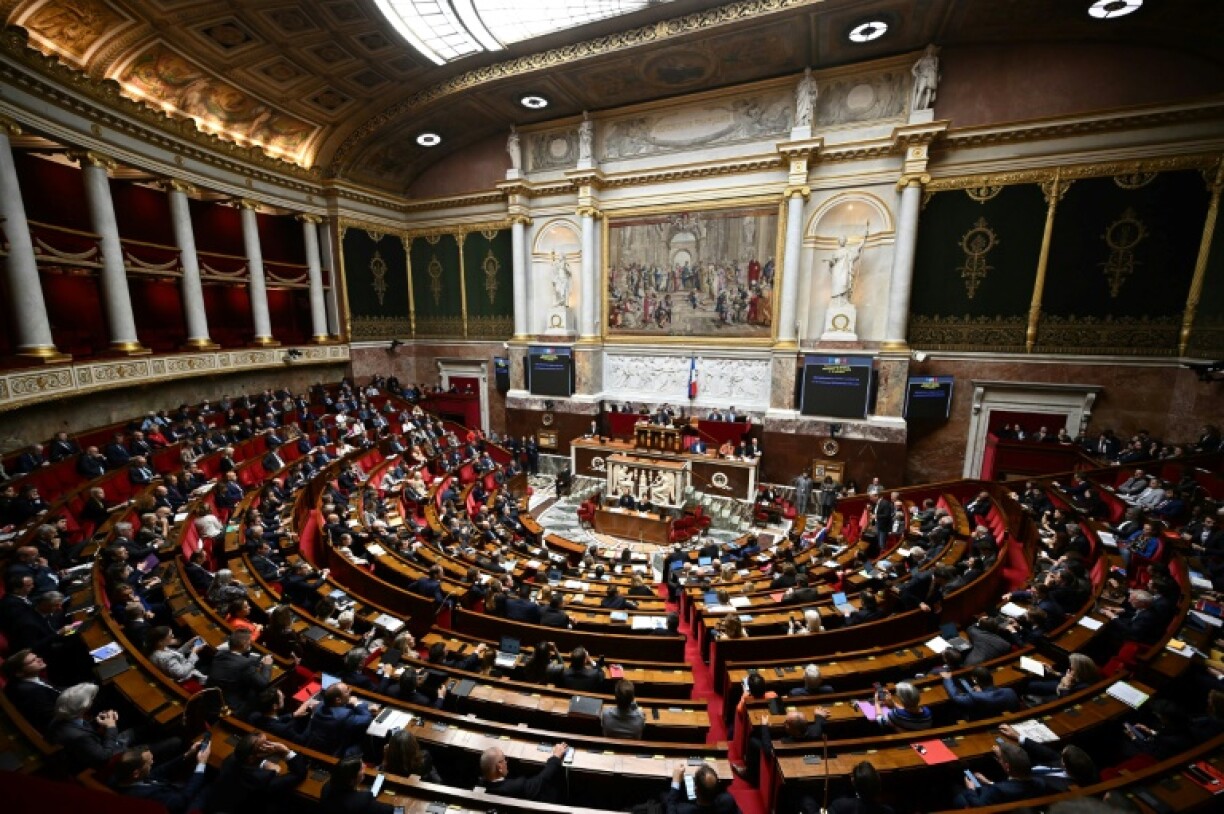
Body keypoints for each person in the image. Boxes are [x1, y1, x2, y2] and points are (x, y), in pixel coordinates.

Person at [205, 731, 309, 814]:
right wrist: (285, 751)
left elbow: (247, 760)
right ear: (251, 758)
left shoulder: (232, 758)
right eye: (265, 745)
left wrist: (263, 762)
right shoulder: (262, 779)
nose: (270, 745)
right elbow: (299, 773)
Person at [110, 740, 212, 814]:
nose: (153, 763)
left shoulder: (127, 777)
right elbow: (181, 800)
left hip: (168, 789)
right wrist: (201, 764)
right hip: (179, 805)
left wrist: (187, 755)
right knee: (209, 787)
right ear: (136, 773)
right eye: (149, 763)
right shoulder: (143, 796)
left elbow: (158, 772)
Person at [955, 741, 1058, 808]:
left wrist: (971, 789)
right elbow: (1011, 789)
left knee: (957, 792)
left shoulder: (997, 790)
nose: (999, 761)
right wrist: (988, 782)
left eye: (1000, 760)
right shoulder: (1040, 782)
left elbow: (979, 806)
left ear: (1007, 767)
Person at [207, 629, 273, 716]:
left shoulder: (219, 654)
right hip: (232, 708)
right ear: (244, 644)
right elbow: (263, 685)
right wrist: (267, 666)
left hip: (212, 702)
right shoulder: (244, 664)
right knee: (267, 693)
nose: (251, 642)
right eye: (249, 640)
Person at [304, 682, 375, 757]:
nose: (350, 691)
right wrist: (357, 703)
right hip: (336, 752)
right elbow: (368, 719)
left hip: (318, 746)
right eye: (346, 691)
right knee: (367, 736)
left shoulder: (320, 706)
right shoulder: (344, 716)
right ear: (338, 700)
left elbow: (338, 709)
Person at [479, 743, 568, 803]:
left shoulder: (481, 786)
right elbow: (540, 781)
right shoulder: (516, 786)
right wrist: (556, 757)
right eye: (504, 759)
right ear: (499, 767)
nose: (506, 762)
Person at [1, 648, 61, 730]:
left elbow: (57, 690)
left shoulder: (32, 678)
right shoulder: (29, 690)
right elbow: (51, 715)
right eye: (33, 661)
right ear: (19, 673)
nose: (40, 659)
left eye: (37, 657)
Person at [321, 755, 395, 814]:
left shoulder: (327, 787)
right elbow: (389, 810)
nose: (364, 766)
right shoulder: (363, 799)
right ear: (352, 780)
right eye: (360, 768)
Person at [667, 762, 740, 814]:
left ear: (696, 790)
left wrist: (675, 782)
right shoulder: (728, 801)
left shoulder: (683, 810)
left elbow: (671, 806)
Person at [826, 225, 868, 305]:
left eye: (843, 239)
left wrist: (864, 239)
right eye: (840, 240)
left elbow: (857, 248)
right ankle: (836, 301)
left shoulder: (848, 251)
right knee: (837, 285)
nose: (842, 241)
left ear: (845, 241)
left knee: (844, 283)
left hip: (844, 270)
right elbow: (831, 264)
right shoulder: (835, 252)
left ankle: (844, 301)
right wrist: (831, 263)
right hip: (836, 272)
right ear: (839, 241)